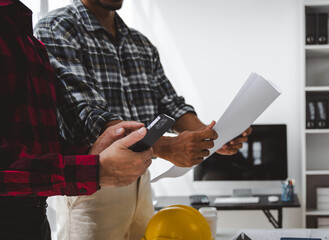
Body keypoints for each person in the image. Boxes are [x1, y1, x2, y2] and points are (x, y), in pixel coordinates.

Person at [34, 0, 251, 239]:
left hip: (141, 179)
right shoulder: (57, 28)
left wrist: (212, 136)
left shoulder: (141, 43)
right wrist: (166, 147)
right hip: (94, 184)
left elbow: (171, 105)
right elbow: (86, 115)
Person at [0, 0, 154, 239]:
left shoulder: (25, 36)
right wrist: (91, 170)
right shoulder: (53, 28)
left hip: (34, 216)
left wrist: (89, 154)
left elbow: (36, 142)